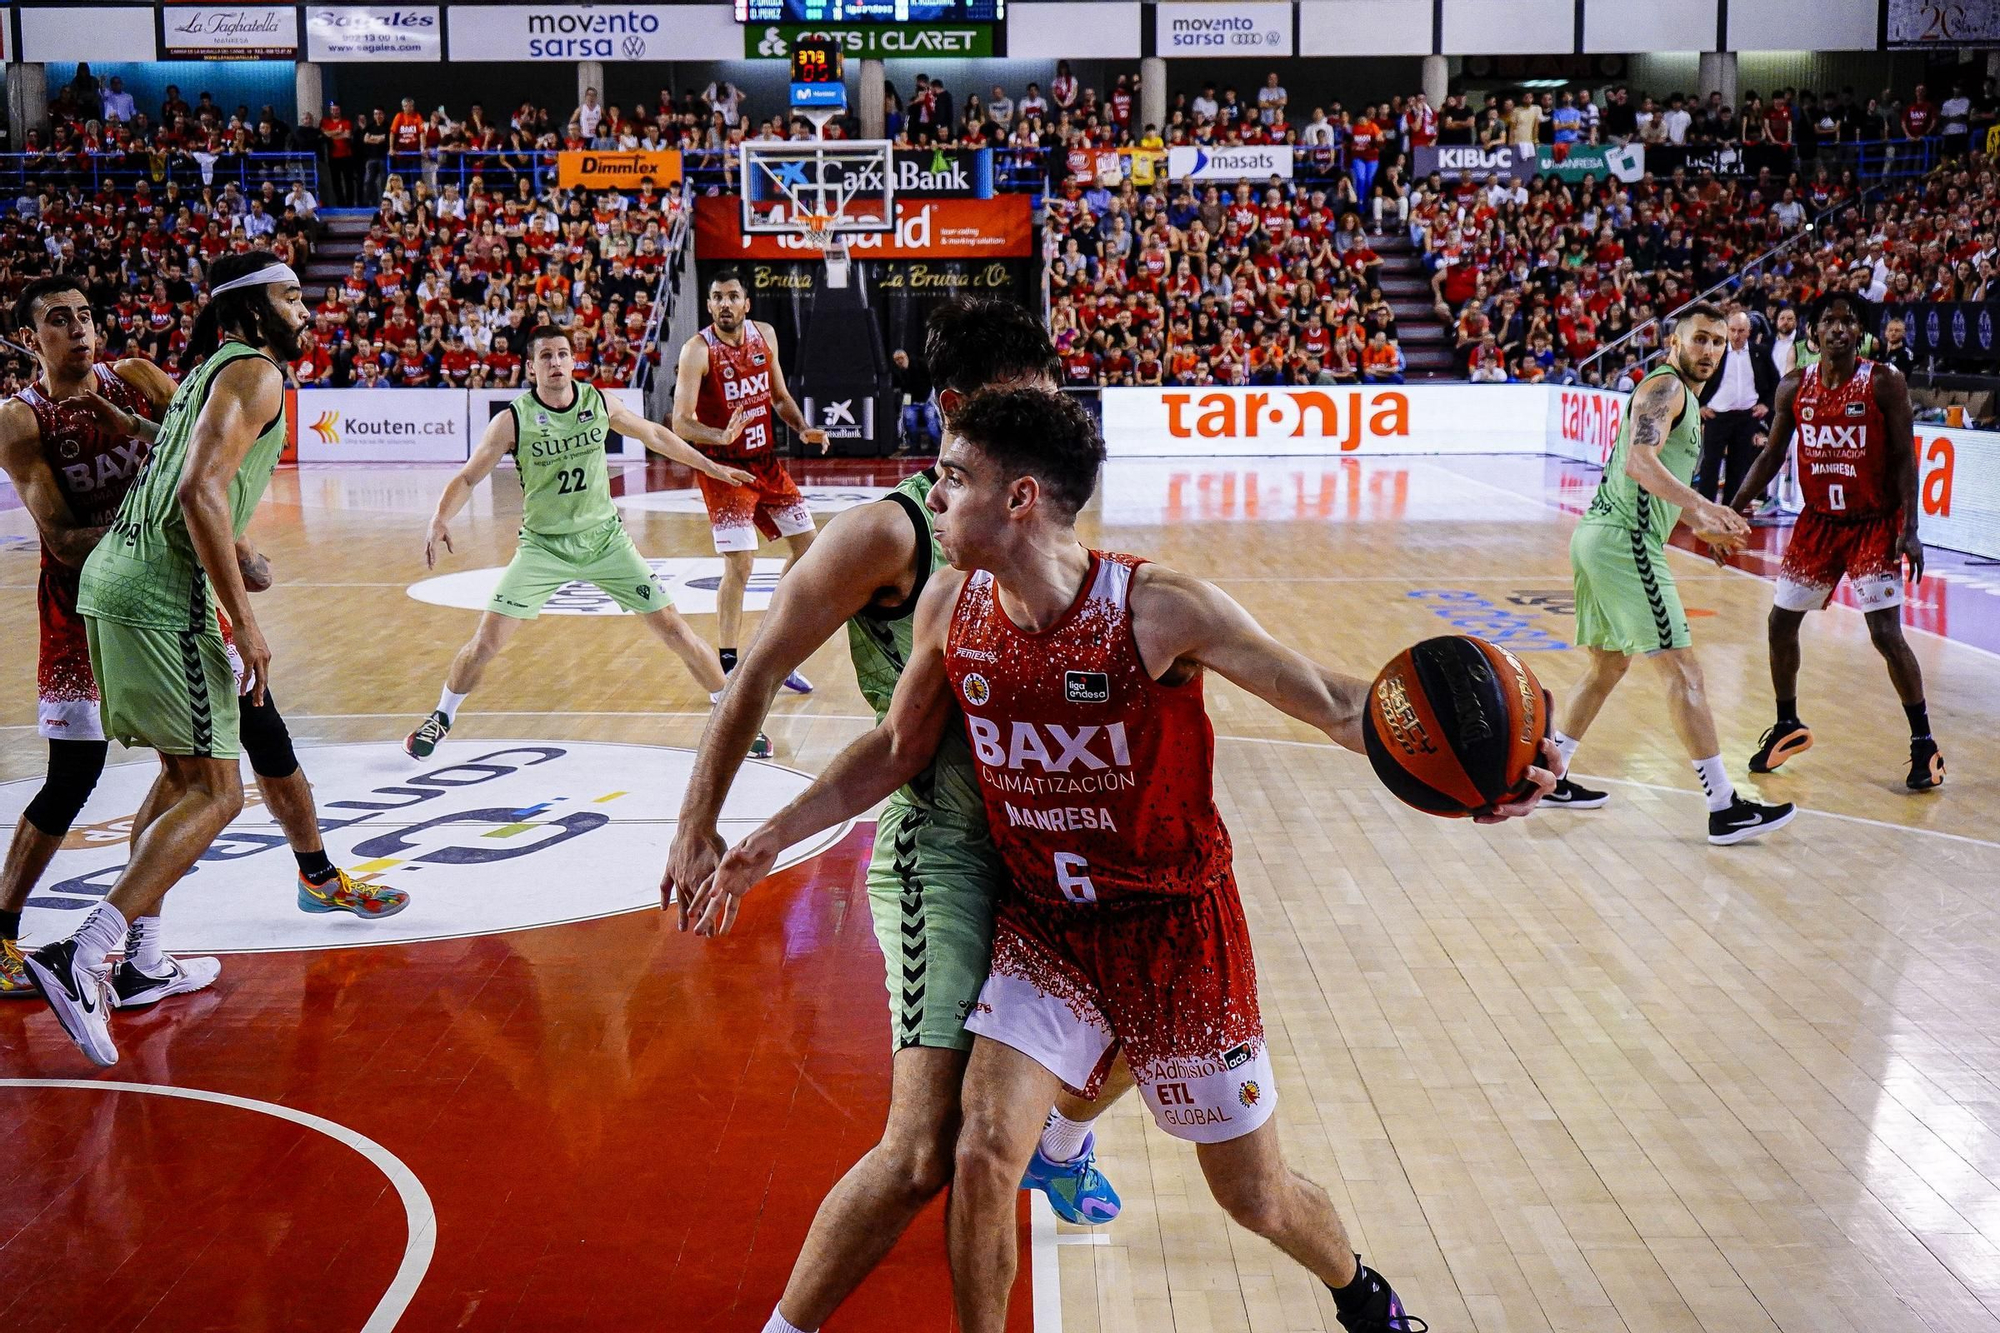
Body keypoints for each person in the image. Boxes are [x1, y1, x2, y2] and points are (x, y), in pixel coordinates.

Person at [687, 386, 1560, 1333]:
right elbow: (898, 745)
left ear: (1020, 498)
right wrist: (772, 833)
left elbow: (1340, 705)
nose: (930, 496)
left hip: (1178, 935)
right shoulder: (952, 600)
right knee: (981, 1151)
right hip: (1047, 931)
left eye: (952, 476)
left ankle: (1363, 1293)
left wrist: (1497, 766)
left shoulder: (1158, 609)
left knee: (1255, 1196)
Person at [664, 302, 1128, 1333]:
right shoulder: (889, 531)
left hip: (1043, 845)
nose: (1048, 422)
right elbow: (755, 674)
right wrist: (702, 824)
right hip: (946, 846)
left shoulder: (1032, 506)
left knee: (1165, 1008)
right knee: (926, 1148)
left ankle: (1056, 1146)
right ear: (960, 412)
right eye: (1026, 403)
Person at [0, 274, 410, 999]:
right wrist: (171, 534)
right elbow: (79, 533)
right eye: (60, 321)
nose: (80, 330)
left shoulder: (135, 378)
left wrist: (225, 536)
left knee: (255, 732)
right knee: (98, 779)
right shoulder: (21, 417)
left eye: (87, 314)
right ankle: (18, 935)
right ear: (33, 338)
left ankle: (295, 883)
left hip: (175, 584)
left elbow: (196, 458)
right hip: (106, 597)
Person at [22, 252, 316, 1066]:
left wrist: (135, 429)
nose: (307, 309)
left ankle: (144, 964)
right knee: (219, 793)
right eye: (292, 296)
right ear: (254, 308)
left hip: (110, 586)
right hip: (162, 597)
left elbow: (181, 460)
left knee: (182, 780)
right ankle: (82, 953)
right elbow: (198, 491)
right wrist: (246, 621)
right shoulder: (257, 371)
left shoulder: (203, 372)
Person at [402, 327, 753, 759]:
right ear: (531, 368)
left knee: (675, 630)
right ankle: (442, 715)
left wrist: (712, 467)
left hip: (606, 541)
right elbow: (470, 475)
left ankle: (731, 718)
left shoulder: (598, 402)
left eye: (563, 354)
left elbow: (656, 437)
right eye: (546, 356)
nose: (555, 362)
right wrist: (440, 516)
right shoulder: (513, 420)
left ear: (573, 362)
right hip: (543, 547)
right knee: (486, 643)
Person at [1545, 303, 1799, 844]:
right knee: (1685, 673)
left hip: (1598, 537)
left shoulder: (1680, 398)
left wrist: (1695, 524)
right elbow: (1641, 461)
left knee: (1607, 668)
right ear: (1674, 344)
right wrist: (1706, 507)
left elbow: (1651, 480)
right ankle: (1724, 806)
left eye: (1718, 342)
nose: (1709, 349)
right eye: (1700, 339)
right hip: (1625, 543)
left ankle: (1553, 772)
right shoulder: (1667, 390)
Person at [1728, 293, 1942, 790]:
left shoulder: (1883, 382)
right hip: (1819, 522)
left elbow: (1907, 458)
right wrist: (1732, 506)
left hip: (1873, 522)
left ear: (1862, 335)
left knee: (1885, 634)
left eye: (1849, 322)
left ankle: (1924, 743)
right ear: (1813, 334)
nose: (1840, 329)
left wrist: (1910, 529)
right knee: (1781, 623)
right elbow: (1770, 457)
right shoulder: (1792, 387)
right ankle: (1787, 723)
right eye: (1830, 321)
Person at [671, 271, 826, 711]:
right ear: (708, 305)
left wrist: (803, 427)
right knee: (741, 564)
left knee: (809, 551)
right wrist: (718, 437)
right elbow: (679, 421)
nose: (725, 303)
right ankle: (728, 667)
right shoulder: (696, 351)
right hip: (724, 470)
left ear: (746, 304)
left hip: (766, 464)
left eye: (732, 296)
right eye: (717, 297)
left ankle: (773, 649)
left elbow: (778, 397)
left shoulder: (766, 337)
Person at [1694, 311, 1778, 504]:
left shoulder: (1760, 353)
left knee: (1738, 466)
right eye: (1732, 330)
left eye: (1741, 330)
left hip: (1746, 417)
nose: (1736, 335)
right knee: (1710, 465)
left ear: (1749, 331)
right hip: (1717, 416)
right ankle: (1705, 510)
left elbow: (1775, 381)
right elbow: (1696, 379)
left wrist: (1766, 404)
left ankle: (1731, 510)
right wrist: (1700, 405)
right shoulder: (1715, 352)